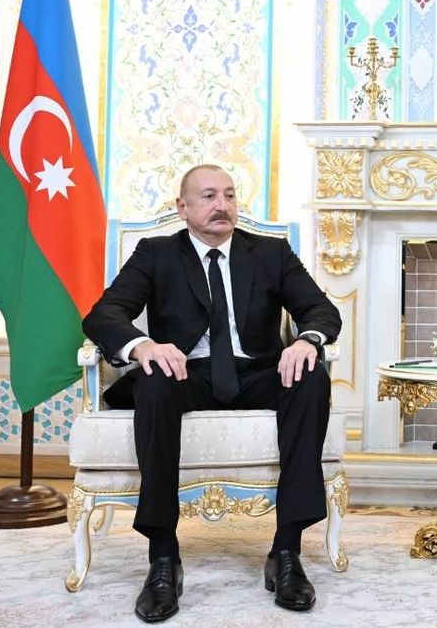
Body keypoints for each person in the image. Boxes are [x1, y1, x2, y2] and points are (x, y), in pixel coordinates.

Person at [83, 164, 341, 622]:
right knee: (156, 380)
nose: (221, 205)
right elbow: (105, 314)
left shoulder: (270, 253)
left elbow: (321, 310)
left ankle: (286, 553)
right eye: (207, 196)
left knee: (311, 375)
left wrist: (306, 340)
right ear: (182, 208)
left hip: (259, 373)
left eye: (229, 195)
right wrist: (142, 345)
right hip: (187, 373)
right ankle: (163, 557)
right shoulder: (156, 253)